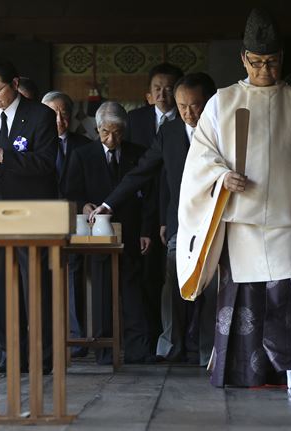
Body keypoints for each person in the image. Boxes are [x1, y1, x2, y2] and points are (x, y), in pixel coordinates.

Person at [176, 8, 291, 389]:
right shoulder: (222, 102)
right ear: (243, 59)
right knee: (246, 297)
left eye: (271, 62)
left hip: (287, 214)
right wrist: (221, 176)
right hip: (242, 219)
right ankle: (245, 369)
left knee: (289, 289)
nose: (264, 70)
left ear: (281, 59)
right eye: (256, 62)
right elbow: (201, 155)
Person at [90, 72, 217, 366]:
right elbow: (142, 171)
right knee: (173, 286)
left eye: (195, 105)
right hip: (180, 222)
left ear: (209, 103)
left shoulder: (222, 130)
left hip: (215, 220)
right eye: (182, 105)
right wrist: (110, 203)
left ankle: (208, 351)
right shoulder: (170, 132)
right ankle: (172, 346)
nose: (188, 113)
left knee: (212, 289)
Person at [0, 59, 58, 373]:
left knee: (35, 286)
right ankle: (9, 355)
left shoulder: (41, 115)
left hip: (34, 210)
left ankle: (42, 358)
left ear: (15, 84)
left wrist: (3, 156)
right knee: (1, 286)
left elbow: (46, 162)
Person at [66, 102, 155, 364]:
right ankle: (105, 351)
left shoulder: (138, 154)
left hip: (131, 230)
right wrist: (84, 204)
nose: (111, 138)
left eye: (117, 132)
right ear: (97, 129)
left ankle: (139, 349)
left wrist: (147, 231)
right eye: (106, 132)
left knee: (133, 291)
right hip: (97, 233)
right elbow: (71, 191)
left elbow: (150, 196)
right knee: (102, 291)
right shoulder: (83, 154)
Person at [125, 62, 184, 350]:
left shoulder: (190, 123)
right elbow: (135, 169)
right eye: (157, 89)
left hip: (175, 207)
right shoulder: (135, 121)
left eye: (170, 89)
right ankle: (149, 338)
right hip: (141, 207)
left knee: (176, 278)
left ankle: (179, 340)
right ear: (148, 94)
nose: (163, 95)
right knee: (147, 277)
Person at [42, 90, 92, 357]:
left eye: (63, 113)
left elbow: (90, 183)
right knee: (41, 277)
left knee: (73, 276)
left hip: (74, 218)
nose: (59, 119)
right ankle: (46, 338)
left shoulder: (84, 145)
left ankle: (76, 337)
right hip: (42, 219)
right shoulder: (33, 145)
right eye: (53, 113)